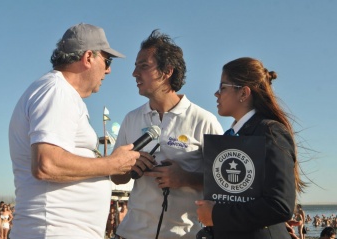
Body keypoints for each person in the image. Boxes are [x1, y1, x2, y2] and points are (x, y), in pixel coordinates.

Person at [8, 23, 140, 239]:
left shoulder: (57, 91)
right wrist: (113, 164)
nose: (109, 70)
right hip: (54, 231)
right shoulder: (57, 91)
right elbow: (47, 163)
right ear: (88, 57)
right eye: (107, 61)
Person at [111, 30, 224, 239]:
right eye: (135, 66)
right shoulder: (131, 118)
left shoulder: (204, 121)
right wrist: (127, 166)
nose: (134, 73)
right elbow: (116, 178)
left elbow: (225, 184)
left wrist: (186, 178)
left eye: (143, 66)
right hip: (129, 234)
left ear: (167, 71)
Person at [195, 57, 305, 239]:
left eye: (223, 87)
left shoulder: (269, 131)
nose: (216, 93)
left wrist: (216, 214)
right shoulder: (233, 135)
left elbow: (280, 204)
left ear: (243, 93)